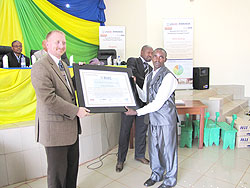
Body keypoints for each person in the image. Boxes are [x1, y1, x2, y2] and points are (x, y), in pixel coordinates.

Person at [31, 30, 90, 188]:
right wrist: (76, 111)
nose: (61, 46)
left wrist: (80, 74)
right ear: (47, 44)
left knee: (71, 171)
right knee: (57, 176)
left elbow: (67, 90)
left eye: (63, 43)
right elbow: (49, 98)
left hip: (70, 128)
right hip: (55, 130)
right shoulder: (40, 66)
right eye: (57, 42)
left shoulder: (63, 64)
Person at [125, 48, 178, 188]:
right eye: (155, 56)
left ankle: (170, 180)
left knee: (168, 150)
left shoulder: (169, 77)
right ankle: (156, 174)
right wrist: (134, 83)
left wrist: (136, 112)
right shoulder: (149, 76)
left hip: (166, 120)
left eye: (161, 57)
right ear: (151, 57)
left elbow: (158, 102)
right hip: (153, 119)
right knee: (154, 149)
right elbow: (145, 97)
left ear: (165, 59)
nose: (157, 59)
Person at [116, 45, 153, 172]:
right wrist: (144, 81)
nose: (150, 55)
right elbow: (131, 74)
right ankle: (120, 160)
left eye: (152, 53)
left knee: (141, 131)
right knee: (125, 132)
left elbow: (147, 84)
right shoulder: (133, 61)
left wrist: (141, 80)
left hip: (144, 105)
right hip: (130, 104)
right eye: (148, 52)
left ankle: (140, 155)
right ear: (141, 52)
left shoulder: (151, 69)